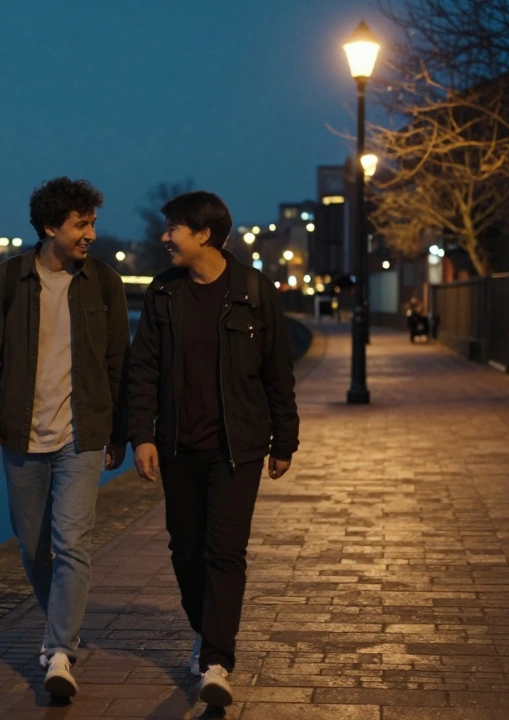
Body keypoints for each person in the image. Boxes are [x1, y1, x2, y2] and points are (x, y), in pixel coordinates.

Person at [128, 191, 299, 708]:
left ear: (202, 234)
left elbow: (277, 371)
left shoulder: (253, 290)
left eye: (172, 228)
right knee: (186, 551)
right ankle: (208, 632)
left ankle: (217, 661)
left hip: (237, 448)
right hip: (179, 445)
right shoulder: (164, 292)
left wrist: (284, 439)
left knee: (224, 552)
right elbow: (142, 370)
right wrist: (143, 434)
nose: (164, 237)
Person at [0, 176, 130, 700]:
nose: (91, 234)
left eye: (93, 223)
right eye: (82, 224)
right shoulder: (7, 281)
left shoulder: (104, 283)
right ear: (49, 227)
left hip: (81, 436)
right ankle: (63, 627)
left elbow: (118, 364)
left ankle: (59, 650)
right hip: (19, 435)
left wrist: (119, 431)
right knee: (34, 548)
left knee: (73, 544)